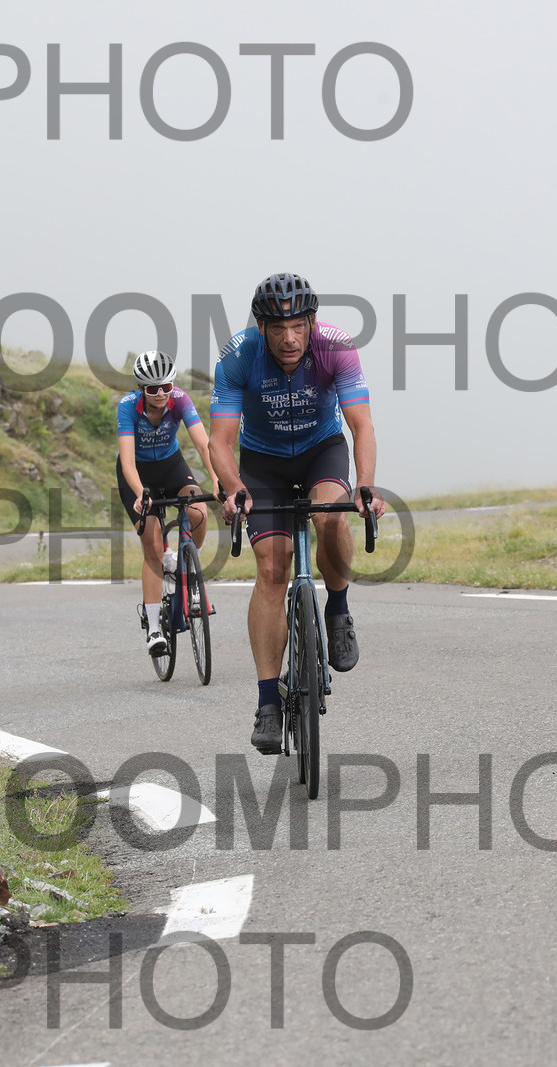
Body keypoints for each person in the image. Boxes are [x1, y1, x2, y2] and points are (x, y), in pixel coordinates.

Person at [211, 273, 386, 754]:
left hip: (320, 451)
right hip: (262, 463)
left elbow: (361, 424)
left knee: (331, 517)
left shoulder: (336, 347)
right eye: (277, 328)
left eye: (298, 326)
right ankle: (268, 702)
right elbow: (220, 441)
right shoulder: (238, 356)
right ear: (262, 328)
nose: (289, 338)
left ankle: (338, 609)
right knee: (272, 568)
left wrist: (365, 485)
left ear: (312, 322)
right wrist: (234, 489)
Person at [116, 350, 219, 655]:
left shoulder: (181, 400)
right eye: (153, 389)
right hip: (138, 473)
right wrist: (141, 493)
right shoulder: (128, 406)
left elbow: (204, 444)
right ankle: (154, 628)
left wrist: (217, 480)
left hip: (171, 465)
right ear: (141, 389)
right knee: (153, 544)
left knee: (199, 511)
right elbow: (127, 463)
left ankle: (188, 567)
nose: (161, 394)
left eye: (166, 387)